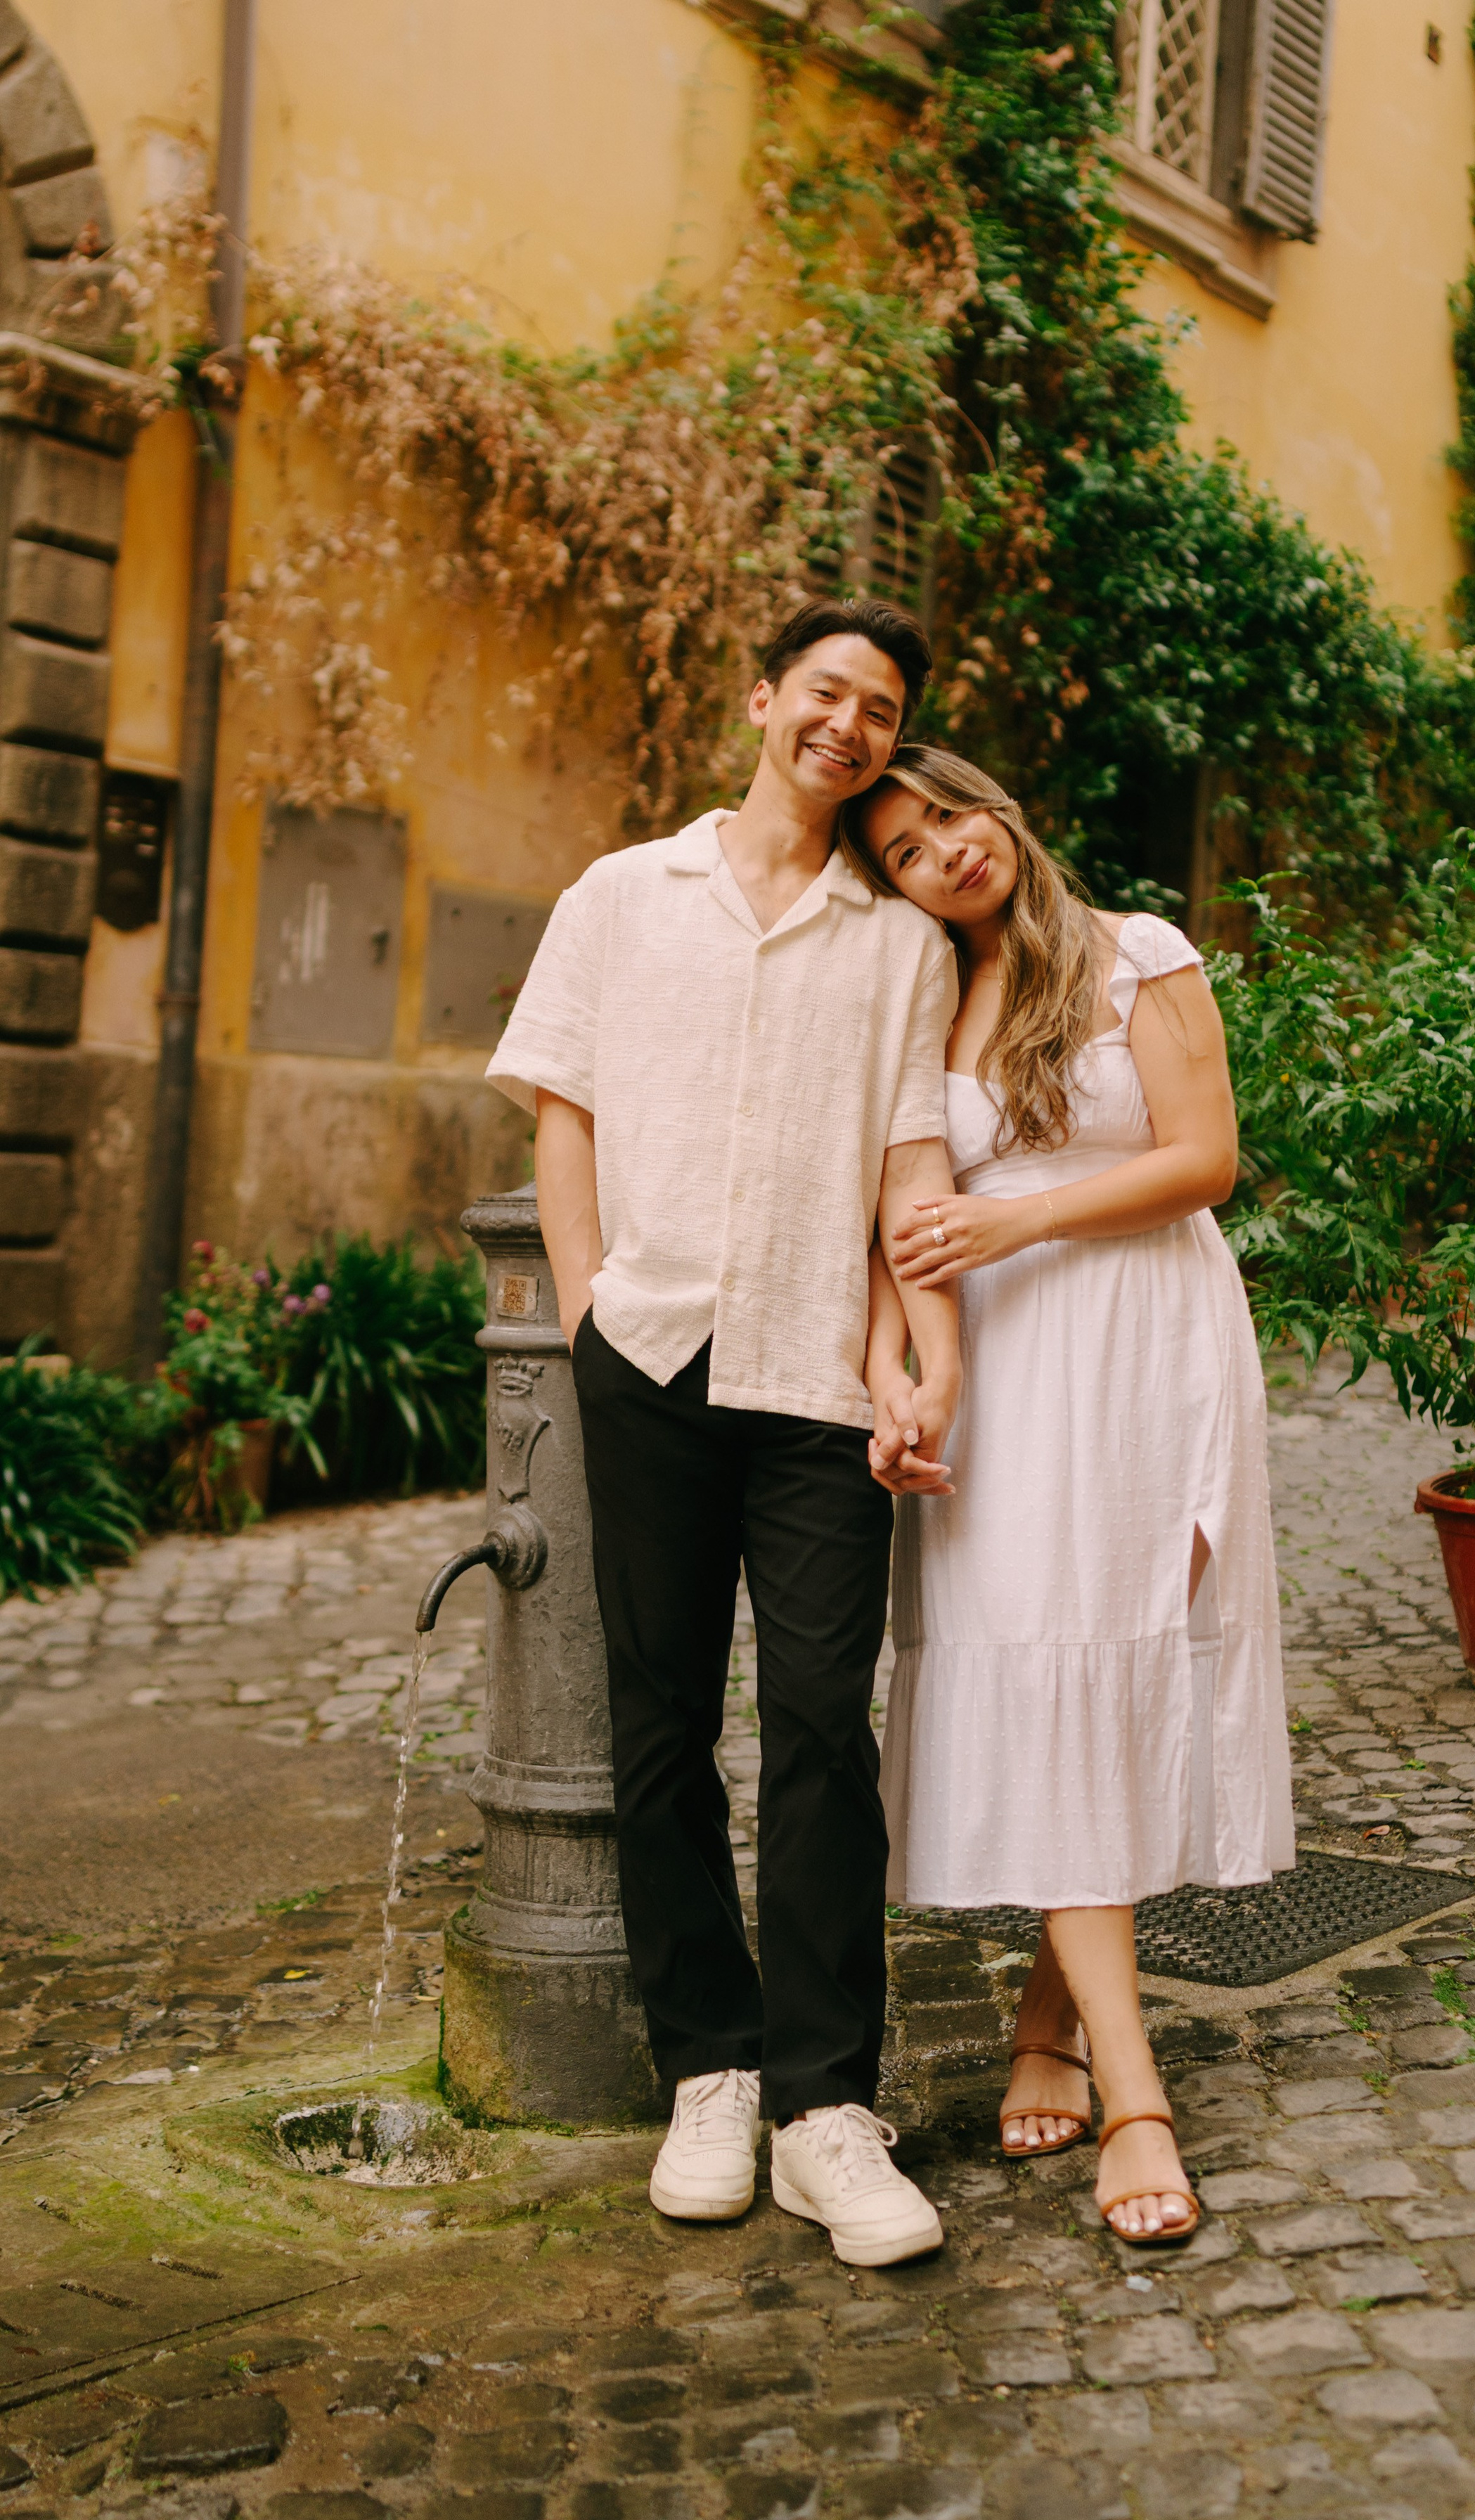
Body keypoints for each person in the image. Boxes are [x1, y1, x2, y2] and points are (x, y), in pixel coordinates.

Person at [487, 600, 963, 2269]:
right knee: (659, 1720)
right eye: (826, 690)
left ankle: (829, 2104)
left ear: (887, 746)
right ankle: (707, 2068)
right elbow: (566, 1114)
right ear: (764, 700)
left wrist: (920, 1360)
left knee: (827, 1724)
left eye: (880, 709)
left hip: (819, 1378)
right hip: (652, 1355)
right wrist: (586, 1308)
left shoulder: (901, 942)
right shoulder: (622, 897)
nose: (848, 722)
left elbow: (913, 1170)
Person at [844, 745, 1295, 2246]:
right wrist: (901, 1372)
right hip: (1010, 1379)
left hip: (1150, 1348)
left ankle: (1054, 2026)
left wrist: (1016, 1216)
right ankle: (1134, 2093)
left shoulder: (1135, 953)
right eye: (903, 852)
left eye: (948, 818)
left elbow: (1205, 1159)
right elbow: (898, 1224)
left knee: (1118, 1675)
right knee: (1049, 1685)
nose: (941, 856)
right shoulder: (924, 1002)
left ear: (1000, 808)